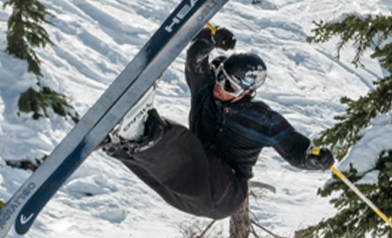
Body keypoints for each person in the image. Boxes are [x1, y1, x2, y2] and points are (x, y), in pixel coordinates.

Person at [99, 25, 334, 219]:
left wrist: (314, 158)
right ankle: (121, 142)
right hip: (190, 183)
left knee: (182, 146)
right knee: (163, 164)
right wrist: (211, 40)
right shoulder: (205, 88)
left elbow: (294, 148)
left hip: (225, 192)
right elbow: (196, 59)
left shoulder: (262, 118)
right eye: (220, 77)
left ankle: (141, 132)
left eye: (230, 86)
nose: (220, 87)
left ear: (247, 92)